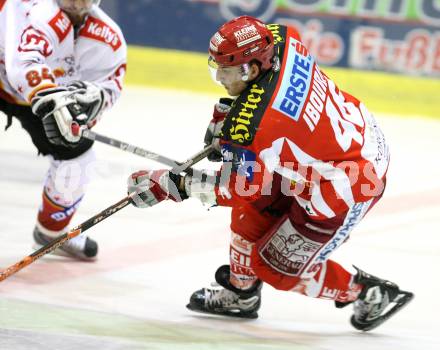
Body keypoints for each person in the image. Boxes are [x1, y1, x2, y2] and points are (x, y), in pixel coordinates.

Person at [126, 16, 413, 331]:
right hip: (348, 140)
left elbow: (238, 187)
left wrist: (175, 185)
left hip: (348, 185)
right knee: (251, 213)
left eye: (226, 69)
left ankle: (369, 294)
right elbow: (263, 124)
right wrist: (231, 119)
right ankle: (241, 294)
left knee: (277, 268)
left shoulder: (254, 127)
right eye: (216, 66)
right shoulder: (283, 39)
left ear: (250, 69)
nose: (220, 76)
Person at [0, 0, 127, 260]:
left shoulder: (108, 38)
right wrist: (49, 94)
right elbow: (23, 64)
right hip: (28, 88)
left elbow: (110, 85)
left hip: (39, 97)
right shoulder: (39, 12)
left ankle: (51, 230)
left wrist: (93, 102)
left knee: (77, 155)